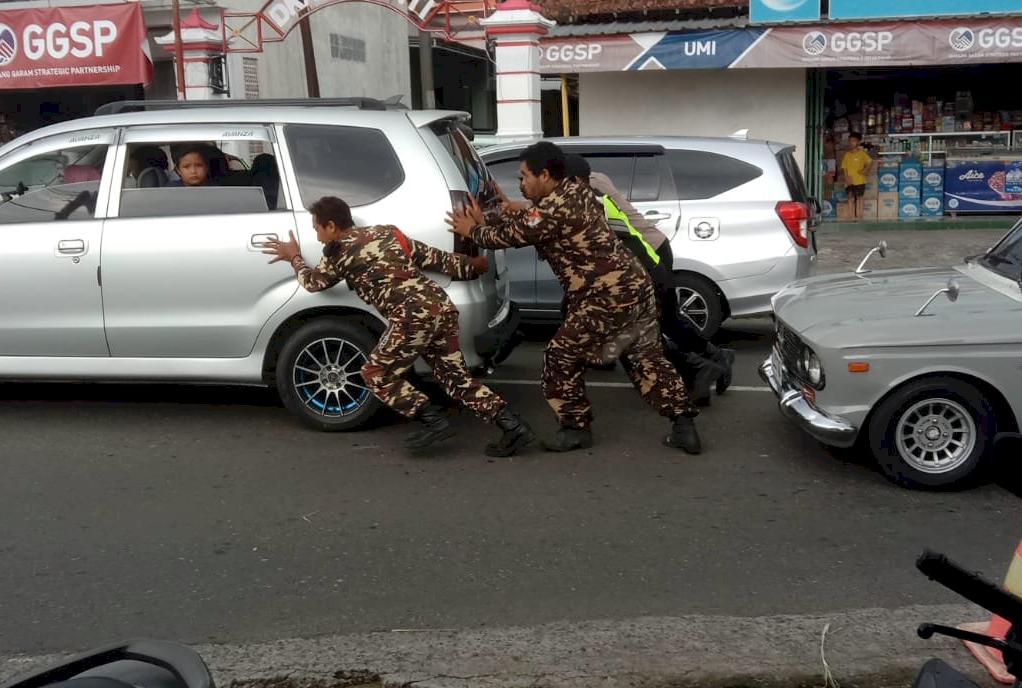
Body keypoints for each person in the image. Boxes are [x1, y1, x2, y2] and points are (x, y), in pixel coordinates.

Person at [445, 141, 702, 455]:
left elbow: (510, 236)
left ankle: (574, 428)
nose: (521, 183)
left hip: (604, 296)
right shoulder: (578, 191)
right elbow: (530, 221)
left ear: (545, 174)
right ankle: (684, 426)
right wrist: (503, 211)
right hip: (637, 288)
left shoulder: (552, 208)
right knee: (646, 358)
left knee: (559, 357)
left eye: (524, 176)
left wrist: (472, 229)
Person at [264, 196, 538, 457]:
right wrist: (472, 266)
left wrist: (294, 258)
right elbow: (433, 258)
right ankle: (513, 426)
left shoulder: (339, 253)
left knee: (375, 373)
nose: (317, 236)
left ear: (332, 226)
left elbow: (314, 283)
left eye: (317, 229)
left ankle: (432, 420)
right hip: (440, 308)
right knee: (456, 379)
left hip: (413, 318)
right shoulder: (387, 233)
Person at [563, 154, 735, 405]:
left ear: (576, 179)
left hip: (646, 254)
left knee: (651, 325)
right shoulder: (595, 179)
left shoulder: (590, 194)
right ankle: (708, 361)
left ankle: (702, 365)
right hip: (650, 249)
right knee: (664, 321)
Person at [840, 132, 873, 221]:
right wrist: (846, 178)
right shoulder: (847, 155)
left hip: (860, 180)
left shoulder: (862, 154)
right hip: (849, 181)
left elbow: (870, 162)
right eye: (850, 141)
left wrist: (865, 170)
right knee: (850, 197)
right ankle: (851, 216)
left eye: (854, 141)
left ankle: (860, 216)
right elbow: (844, 168)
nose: (851, 143)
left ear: (858, 142)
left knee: (860, 198)